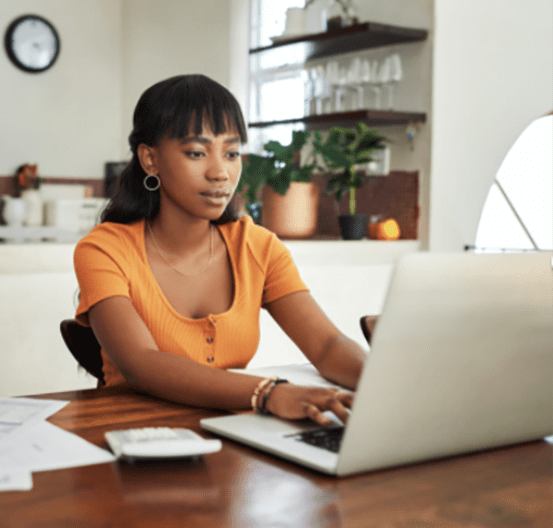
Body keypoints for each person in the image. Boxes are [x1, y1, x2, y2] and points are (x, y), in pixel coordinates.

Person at [73, 74, 366, 426]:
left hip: (233, 436)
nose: (221, 173)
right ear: (150, 160)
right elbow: (141, 363)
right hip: (131, 438)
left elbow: (327, 345)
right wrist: (268, 393)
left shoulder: (257, 247)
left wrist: (386, 384)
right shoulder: (104, 249)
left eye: (231, 153)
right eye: (196, 153)